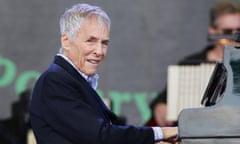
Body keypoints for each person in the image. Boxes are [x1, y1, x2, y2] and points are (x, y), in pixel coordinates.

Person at [29, 3, 178, 144]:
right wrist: (161, 133)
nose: (99, 51)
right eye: (90, 41)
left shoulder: (71, 80)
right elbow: (101, 137)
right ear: (66, 41)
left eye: (104, 43)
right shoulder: (55, 81)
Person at [145, 0, 240, 127]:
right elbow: (162, 99)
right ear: (213, 31)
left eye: (239, 32)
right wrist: (160, 106)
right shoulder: (190, 64)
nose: (234, 38)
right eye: (228, 32)